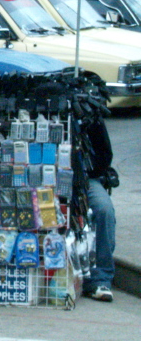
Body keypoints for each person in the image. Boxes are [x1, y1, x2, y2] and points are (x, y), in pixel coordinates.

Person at [82, 118, 117, 302]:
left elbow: (105, 155)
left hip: (87, 178)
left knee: (104, 210)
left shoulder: (88, 112)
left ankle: (100, 279)